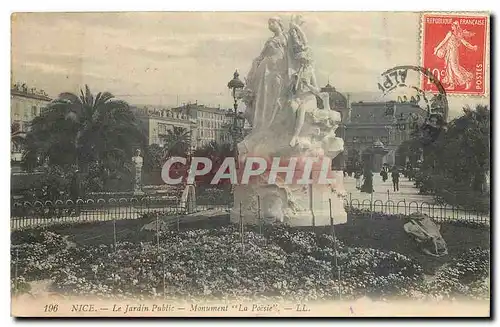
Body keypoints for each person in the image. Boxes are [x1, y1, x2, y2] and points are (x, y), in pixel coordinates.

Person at [433, 21, 478, 91]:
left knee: (454, 68)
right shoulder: (450, 33)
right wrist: (437, 49)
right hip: (449, 52)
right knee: (449, 67)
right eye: (452, 26)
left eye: (453, 26)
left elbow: (465, 43)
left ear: (456, 27)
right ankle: (452, 84)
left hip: (453, 53)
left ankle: (467, 81)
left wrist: (472, 47)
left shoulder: (458, 35)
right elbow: (443, 42)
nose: (452, 27)